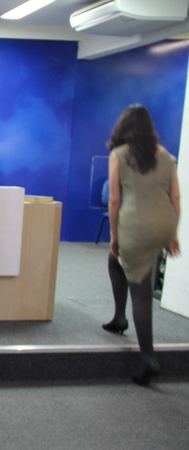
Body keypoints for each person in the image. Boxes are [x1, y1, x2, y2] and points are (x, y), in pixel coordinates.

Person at [103, 104, 181, 386]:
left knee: (141, 290)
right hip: (164, 223)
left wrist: (114, 234)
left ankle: (149, 359)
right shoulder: (167, 156)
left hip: (136, 225)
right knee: (115, 262)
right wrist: (171, 234)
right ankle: (118, 317)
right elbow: (175, 199)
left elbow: (114, 199)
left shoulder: (119, 155)